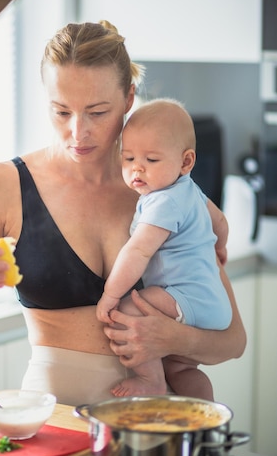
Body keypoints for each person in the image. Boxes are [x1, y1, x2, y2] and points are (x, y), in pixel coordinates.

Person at [0, 20, 246, 407]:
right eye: (61, 112)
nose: (78, 133)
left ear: (129, 98)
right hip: (56, 420)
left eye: (97, 112)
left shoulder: (162, 186)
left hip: (157, 423)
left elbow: (233, 341)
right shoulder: (0, 185)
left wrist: (175, 339)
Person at [96, 98, 232, 400]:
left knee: (131, 309)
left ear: (186, 162)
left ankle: (150, 380)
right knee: (182, 369)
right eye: (128, 158)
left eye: (152, 160)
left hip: (185, 296)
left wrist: (111, 295)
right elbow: (220, 221)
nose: (137, 170)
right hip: (211, 303)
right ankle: (205, 413)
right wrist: (220, 246)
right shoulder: (190, 189)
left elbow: (138, 252)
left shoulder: (163, 202)